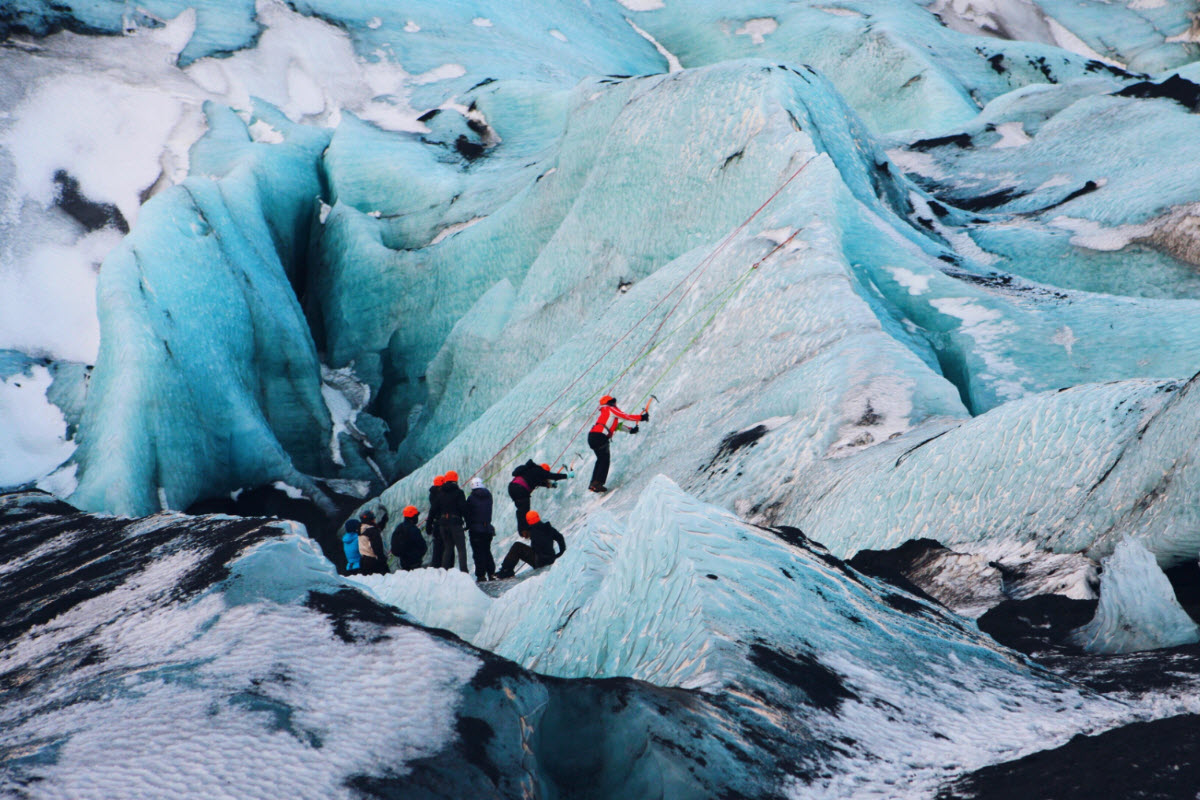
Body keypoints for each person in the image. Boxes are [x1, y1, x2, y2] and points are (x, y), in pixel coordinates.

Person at [587, 395, 648, 493]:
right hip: (600, 436)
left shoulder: (606, 413)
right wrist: (642, 417)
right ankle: (598, 483)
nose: (616, 403)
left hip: (592, 436)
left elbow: (616, 426)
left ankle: (593, 483)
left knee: (600, 460)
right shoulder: (610, 408)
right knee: (604, 460)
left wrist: (630, 430)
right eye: (614, 401)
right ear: (610, 402)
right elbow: (625, 416)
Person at [496, 510, 566, 579]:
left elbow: (529, 535)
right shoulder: (548, 528)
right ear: (538, 517)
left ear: (528, 521)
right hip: (550, 558)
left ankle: (506, 571)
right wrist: (560, 553)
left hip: (539, 561)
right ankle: (506, 570)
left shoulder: (531, 530)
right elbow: (560, 538)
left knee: (517, 546)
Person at [508, 460, 568, 533]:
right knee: (525, 509)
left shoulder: (531, 471)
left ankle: (523, 530)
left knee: (521, 509)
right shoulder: (539, 471)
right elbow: (553, 476)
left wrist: (551, 485)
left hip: (512, 487)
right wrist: (567, 475)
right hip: (520, 489)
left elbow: (538, 482)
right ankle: (525, 530)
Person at [465, 477, 496, 582]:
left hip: (476, 529)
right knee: (487, 551)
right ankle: (491, 573)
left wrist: (467, 525)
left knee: (478, 553)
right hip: (487, 529)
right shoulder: (488, 496)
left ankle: (481, 576)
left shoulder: (471, 498)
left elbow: (468, 514)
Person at [438, 471, 469, 573]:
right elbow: (464, 508)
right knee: (461, 549)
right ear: (456, 479)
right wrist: (467, 521)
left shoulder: (441, 493)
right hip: (455, 523)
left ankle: (443, 572)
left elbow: (434, 509)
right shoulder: (459, 492)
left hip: (443, 524)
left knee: (448, 548)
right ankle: (464, 573)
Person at [391, 505, 427, 571]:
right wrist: (418, 555)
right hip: (414, 562)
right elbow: (422, 546)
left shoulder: (399, 527)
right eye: (416, 516)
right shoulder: (413, 529)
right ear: (413, 517)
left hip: (403, 562)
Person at [358, 509, 389, 575]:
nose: (374, 520)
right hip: (373, 562)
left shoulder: (361, 529)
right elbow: (377, 548)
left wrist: (383, 521)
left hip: (363, 561)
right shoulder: (372, 531)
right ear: (369, 520)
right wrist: (382, 559)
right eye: (372, 519)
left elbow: (376, 528)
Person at [428, 474, 446, 568]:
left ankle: (436, 566)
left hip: (436, 524)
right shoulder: (441, 495)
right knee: (446, 546)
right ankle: (445, 567)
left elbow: (432, 511)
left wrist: (429, 524)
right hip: (443, 523)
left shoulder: (432, 495)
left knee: (437, 547)